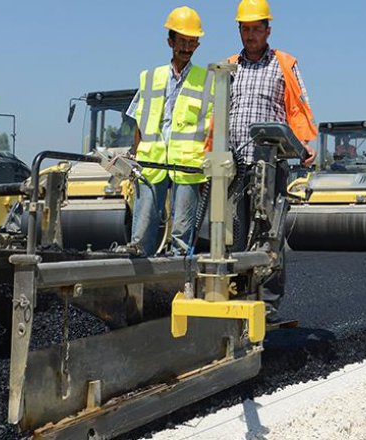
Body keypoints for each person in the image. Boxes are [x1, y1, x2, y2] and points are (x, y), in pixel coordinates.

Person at [226, 0, 317, 321]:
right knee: (233, 234)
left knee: (269, 233)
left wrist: (305, 143)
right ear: (239, 30)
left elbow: (297, 107)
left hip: (271, 163)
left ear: (267, 30)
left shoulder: (284, 64)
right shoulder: (229, 66)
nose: (250, 35)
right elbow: (215, 113)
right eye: (244, 29)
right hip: (233, 165)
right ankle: (237, 294)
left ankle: (267, 302)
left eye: (255, 29)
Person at [118, 6, 213, 256]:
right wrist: (135, 156)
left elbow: (212, 129)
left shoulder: (207, 81)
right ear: (170, 41)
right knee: (143, 229)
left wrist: (208, 170)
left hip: (188, 166)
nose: (186, 47)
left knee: (182, 232)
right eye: (182, 41)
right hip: (151, 163)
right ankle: (138, 278)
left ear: (197, 45)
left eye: (192, 42)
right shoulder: (150, 78)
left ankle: (177, 281)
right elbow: (139, 122)